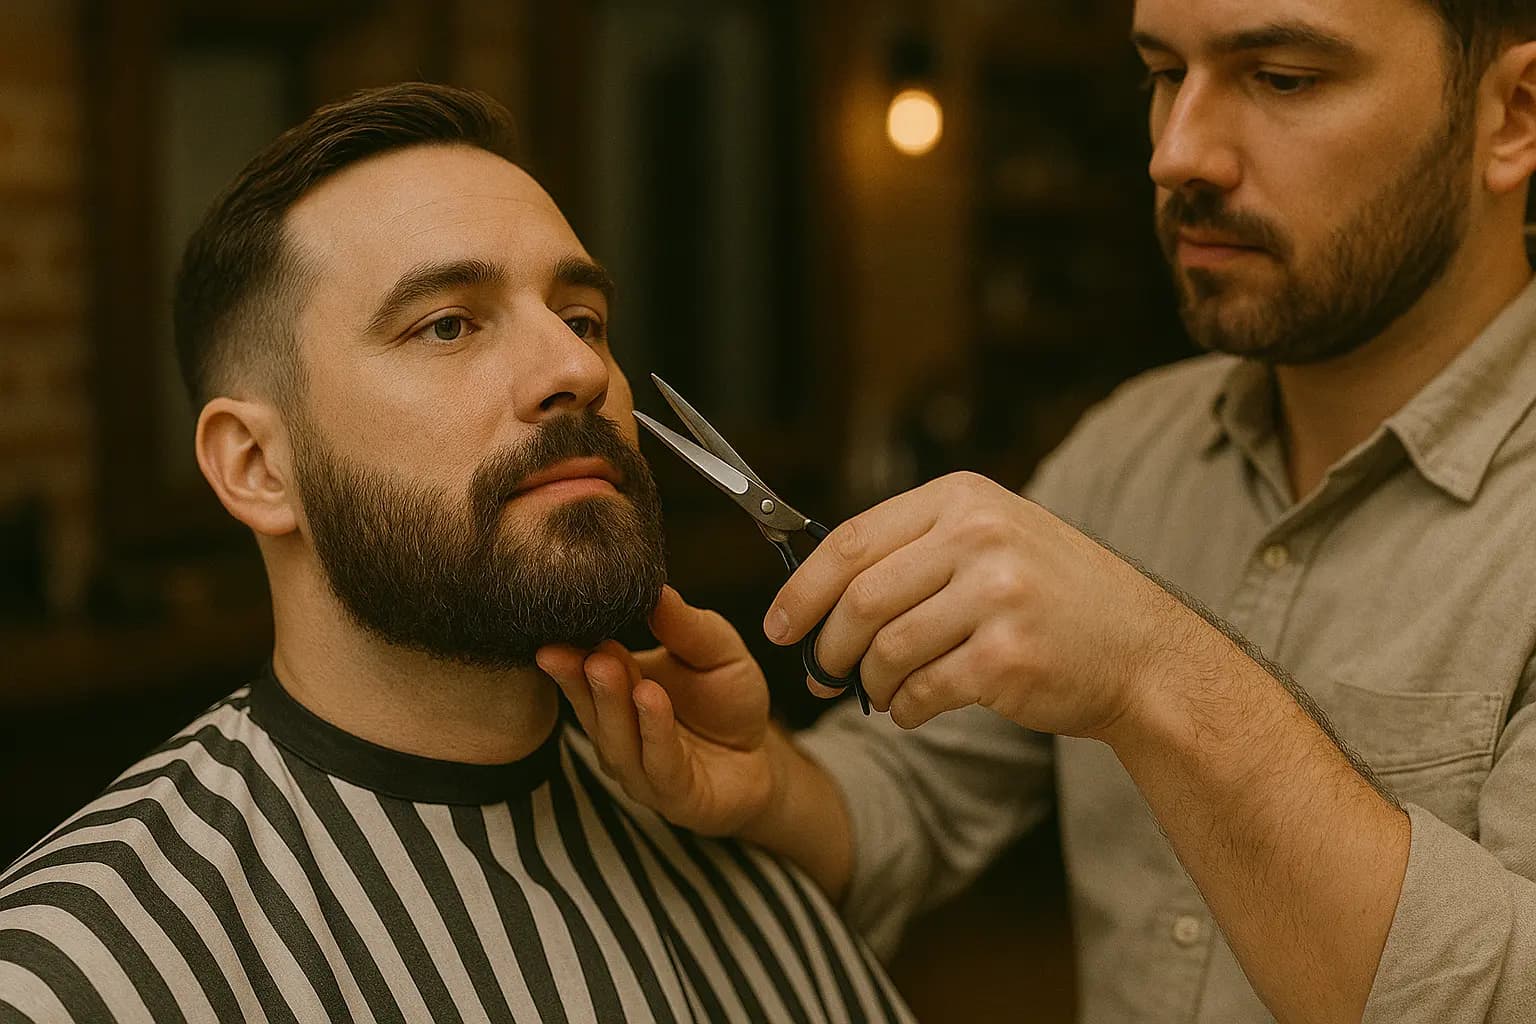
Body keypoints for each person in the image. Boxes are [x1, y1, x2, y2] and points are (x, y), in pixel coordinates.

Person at [538, 1, 1536, 1021]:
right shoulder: (1129, 450)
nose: (1177, 154)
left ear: (1513, 116)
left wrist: (1153, 668)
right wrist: (767, 785)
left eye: (1283, 78)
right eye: (1163, 75)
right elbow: (915, 798)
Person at [0, 83, 913, 1024]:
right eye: (448, 324)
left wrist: (776, 792)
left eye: (582, 318)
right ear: (258, 467)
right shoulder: (72, 980)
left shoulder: (718, 816)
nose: (579, 369)